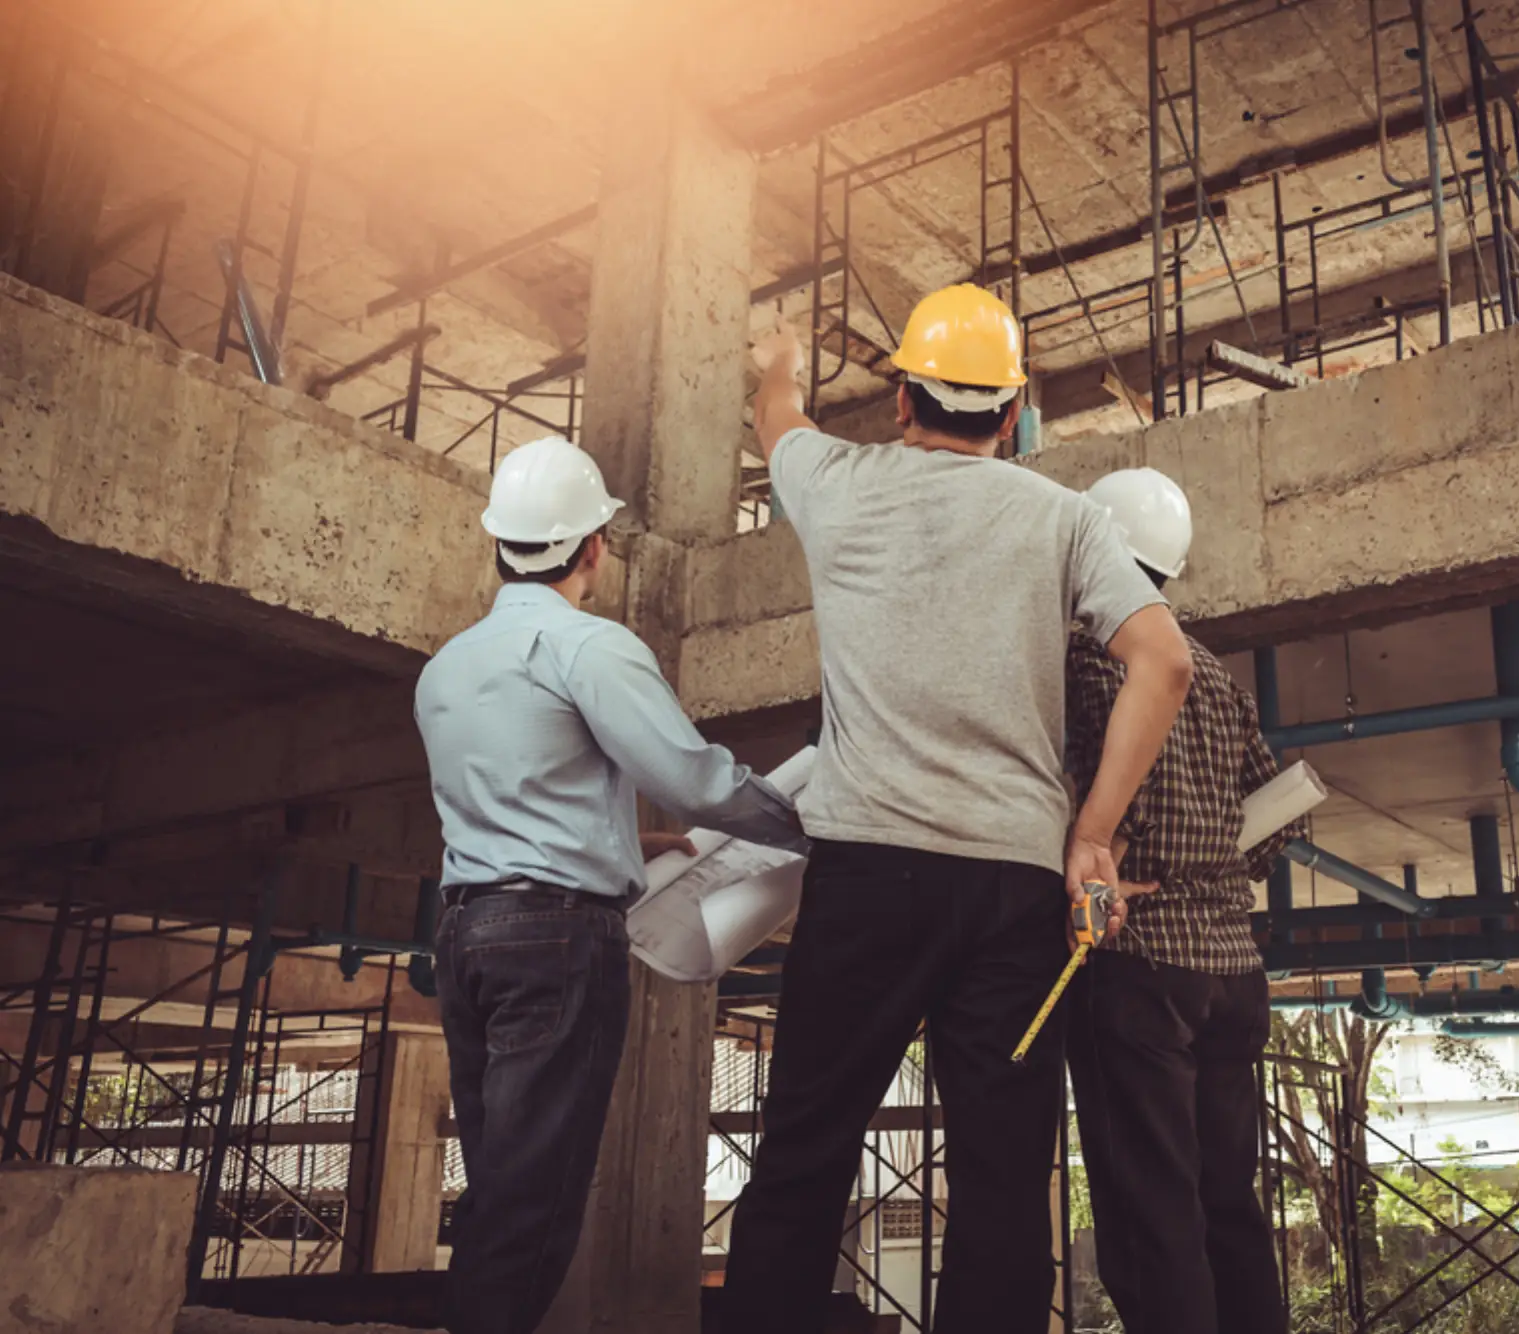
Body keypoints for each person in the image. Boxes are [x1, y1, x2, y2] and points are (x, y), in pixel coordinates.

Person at [721, 286, 1195, 1333]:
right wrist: (1091, 832)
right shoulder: (1065, 517)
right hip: (1012, 899)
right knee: (1000, 1176)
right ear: (1015, 410)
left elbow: (777, 422)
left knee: (803, 1152)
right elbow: (1161, 661)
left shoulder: (834, 482)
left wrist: (777, 365)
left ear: (900, 401)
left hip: (862, 881)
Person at [414, 435, 809, 1334]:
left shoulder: (445, 671)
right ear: (594, 547)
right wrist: (796, 818)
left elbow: (515, 796)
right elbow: (697, 778)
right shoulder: (590, 647)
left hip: (467, 933)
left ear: (498, 545)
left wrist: (627, 838)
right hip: (556, 940)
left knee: (501, 1180)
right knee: (536, 1196)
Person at [1064, 467, 1305, 1334]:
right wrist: (1210, 857)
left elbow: (1068, 798)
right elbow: (1274, 828)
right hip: (1234, 978)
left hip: (1139, 971)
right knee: (1226, 1209)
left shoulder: (1093, 660)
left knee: (1151, 1216)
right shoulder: (1215, 676)